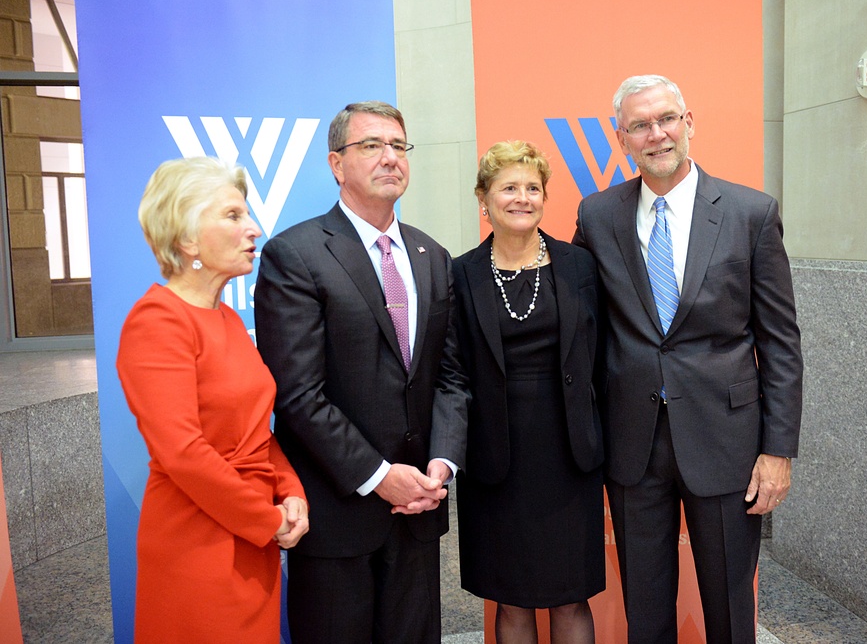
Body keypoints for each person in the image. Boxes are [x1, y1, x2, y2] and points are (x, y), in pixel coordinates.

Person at [573, 75, 803, 643]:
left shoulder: (751, 212)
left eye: (666, 119)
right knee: (644, 607)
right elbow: (577, 318)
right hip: (632, 443)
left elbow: (780, 343)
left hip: (727, 441)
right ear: (621, 138)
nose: (656, 134)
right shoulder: (599, 215)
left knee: (729, 603)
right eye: (640, 125)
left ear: (689, 122)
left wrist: (778, 451)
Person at [253, 100, 468, 644]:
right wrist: (378, 476)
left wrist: (440, 465)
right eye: (371, 146)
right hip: (338, 514)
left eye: (399, 146)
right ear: (336, 163)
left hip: (419, 507)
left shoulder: (432, 255)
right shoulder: (295, 254)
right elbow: (298, 395)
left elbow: (450, 378)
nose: (389, 158)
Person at [116, 156, 309, 642]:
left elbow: (254, 435)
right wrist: (264, 517)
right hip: (197, 543)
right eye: (233, 216)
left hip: (253, 538)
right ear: (186, 238)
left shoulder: (225, 319)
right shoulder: (157, 322)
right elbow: (182, 453)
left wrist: (292, 493)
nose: (254, 229)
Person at [449, 141, 604, 643]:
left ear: (544, 196)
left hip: (568, 453)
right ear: (484, 198)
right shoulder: (459, 273)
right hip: (495, 457)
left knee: (570, 594)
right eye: (508, 187)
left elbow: (600, 356)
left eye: (532, 188)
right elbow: (450, 368)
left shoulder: (580, 267)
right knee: (510, 596)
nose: (522, 197)